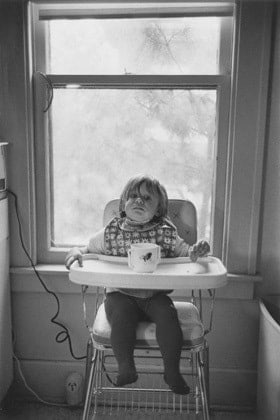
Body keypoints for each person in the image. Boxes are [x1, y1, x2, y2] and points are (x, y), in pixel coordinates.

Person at [65, 175, 210, 395]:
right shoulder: (110, 233)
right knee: (122, 315)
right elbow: (86, 251)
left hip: (154, 296)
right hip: (120, 295)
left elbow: (186, 255)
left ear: (159, 209)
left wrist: (196, 252)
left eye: (146, 198)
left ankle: (171, 371)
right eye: (133, 196)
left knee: (168, 315)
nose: (139, 201)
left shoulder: (165, 232)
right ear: (123, 203)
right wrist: (75, 252)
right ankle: (126, 366)